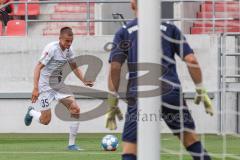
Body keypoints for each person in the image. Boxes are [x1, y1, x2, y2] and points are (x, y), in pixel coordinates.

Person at [106, 0, 214, 160]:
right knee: (190, 141)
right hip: (170, 92)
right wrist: (200, 88)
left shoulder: (124, 32)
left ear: (132, 4)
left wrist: (112, 102)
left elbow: (115, 67)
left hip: (140, 94)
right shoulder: (170, 28)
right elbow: (191, 60)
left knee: (130, 150)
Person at [24, 27, 93, 151]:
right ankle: (31, 112)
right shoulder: (51, 49)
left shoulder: (69, 50)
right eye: (67, 41)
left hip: (59, 85)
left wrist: (84, 80)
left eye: (71, 41)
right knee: (45, 121)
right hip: (45, 87)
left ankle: (71, 144)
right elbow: (38, 67)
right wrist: (35, 89)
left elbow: (74, 67)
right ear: (60, 38)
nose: (69, 44)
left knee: (75, 108)